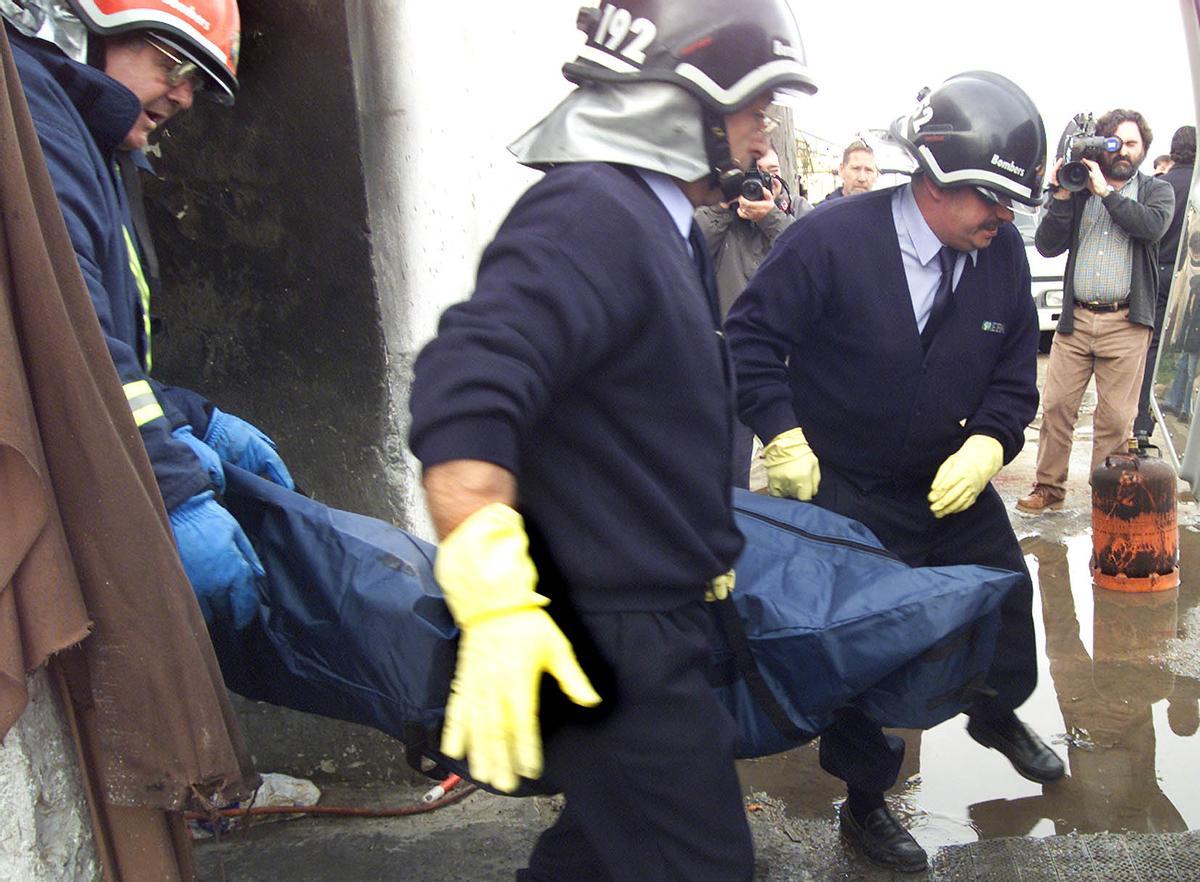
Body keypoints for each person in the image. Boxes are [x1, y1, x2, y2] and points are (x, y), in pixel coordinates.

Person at [407, 1, 816, 878]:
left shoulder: (660, 222)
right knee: (699, 865)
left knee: (598, 853)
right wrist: (495, 596)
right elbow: (466, 387)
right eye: (751, 109)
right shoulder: (590, 211)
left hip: (657, 615)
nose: (761, 135)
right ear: (686, 103)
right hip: (614, 636)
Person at [726, 71, 1064, 873]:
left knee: (1004, 597)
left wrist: (991, 442)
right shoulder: (832, 239)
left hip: (950, 481)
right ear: (936, 179)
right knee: (865, 656)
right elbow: (747, 341)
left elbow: (1016, 374)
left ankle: (992, 709)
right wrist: (781, 434)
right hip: (848, 489)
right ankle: (867, 803)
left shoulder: (1000, 253)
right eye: (990, 198)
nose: (1004, 217)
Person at [4, 0, 294, 628]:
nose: (184, 97)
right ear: (79, 24)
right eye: (174, 64)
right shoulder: (33, 117)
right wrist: (173, 491)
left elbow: (97, 341)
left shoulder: (85, 136)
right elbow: (69, 334)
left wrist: (189, 417)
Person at [1017, 109, 1174, 512]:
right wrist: (1064, 196)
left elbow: (1150, 227)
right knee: (1055, 408)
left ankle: (1105, 495)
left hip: (1126, 323)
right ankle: (1048, 488)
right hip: (1077, 321)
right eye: (1115, 141)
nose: (1123, 150)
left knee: (1116, 420)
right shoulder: (1080, 190)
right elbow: (1049, 245)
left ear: (1144, 150)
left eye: (1133, 143)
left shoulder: (1157, 191)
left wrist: (1107, 193)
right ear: (1101, 145)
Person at [695, 146, 805, 486]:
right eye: (755, 173)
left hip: (788, 359)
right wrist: (728, 206)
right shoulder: (716, 217)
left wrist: (770, 215)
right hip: (731, 360)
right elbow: (692, 244)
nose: (762, 181)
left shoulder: (794, 212)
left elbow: (806, 253)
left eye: (771, 171)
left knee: (796, 464)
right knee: (732, 469)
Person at [1137, 126, 1195, 433]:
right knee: (1188, 350)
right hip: (1188, 276)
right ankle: (1183, 411)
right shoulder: (1196, 186)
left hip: (1155, 272)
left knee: (1150, 347)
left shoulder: (1160, 185)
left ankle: (1141, 422)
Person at [821, 139, 879, 203]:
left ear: (877, 175)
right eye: (856, 169)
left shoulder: (884, 211)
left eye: (868, 170)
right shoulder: (822, 211)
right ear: (841, 170)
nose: (862, 178)